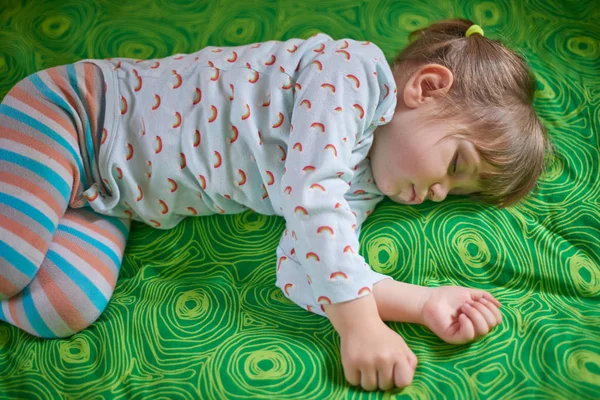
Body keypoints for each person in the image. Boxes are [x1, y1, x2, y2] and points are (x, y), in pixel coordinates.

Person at [0, 19, 551, 391]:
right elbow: (311, 202)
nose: (436, 194)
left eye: (456, 194)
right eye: (455, 165)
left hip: (109, 199)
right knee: (10, 262)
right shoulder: (351, 74)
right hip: (82, 115)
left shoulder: (358, 187)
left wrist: (420, 303)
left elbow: (305, 266)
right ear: (426, 87)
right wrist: (357, 326)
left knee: (61, 307)